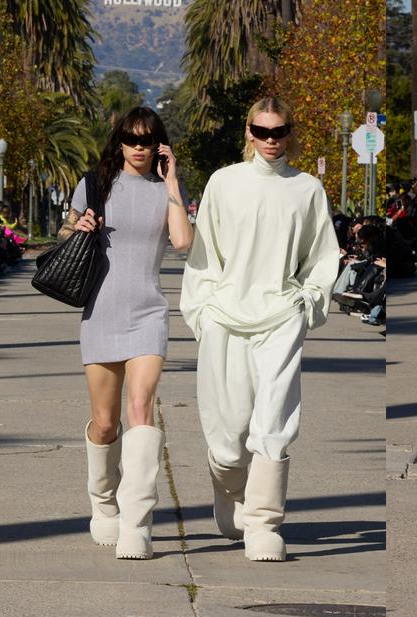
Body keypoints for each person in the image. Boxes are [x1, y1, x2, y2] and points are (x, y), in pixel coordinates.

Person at [180, 97, 340, 561]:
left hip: (281, 316)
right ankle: (229, 488)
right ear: (248, 132)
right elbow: (204, 256)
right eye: (262, 131)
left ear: (291, 133)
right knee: (228, 439)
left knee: (273, 423)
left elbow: (321, 257)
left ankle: (264, 524)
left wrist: (306, 305)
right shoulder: (223, 183)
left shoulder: (307, 189)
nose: (271, 140)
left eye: (279, 131)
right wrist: (204, 313)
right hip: (226, 317)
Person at [62, 106, 192, 560]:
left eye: (148, 139)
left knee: (142, 409)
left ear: (159, 143)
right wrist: (76, 226)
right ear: (118, 141)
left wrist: (173, 182)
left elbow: (182, 243)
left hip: (149, 312)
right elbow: (64, 231)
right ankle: (103, 502)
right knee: (105, 423)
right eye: (131, 139)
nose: (139, 147)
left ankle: (137, 524)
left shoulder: (165, 190)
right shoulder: (96, 184)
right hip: (101, 312)